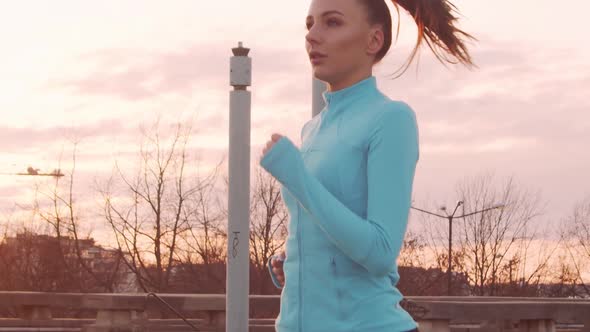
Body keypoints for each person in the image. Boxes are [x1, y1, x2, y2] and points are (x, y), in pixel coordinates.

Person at [259, 0, 476, 331]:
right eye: (309, 25)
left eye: (332, 23)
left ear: (373, 41)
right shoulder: (312, 129)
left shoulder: (391, 119)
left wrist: (296, 176)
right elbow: (326, 222)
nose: (313, 36)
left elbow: (380, 252)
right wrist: (298, 260)